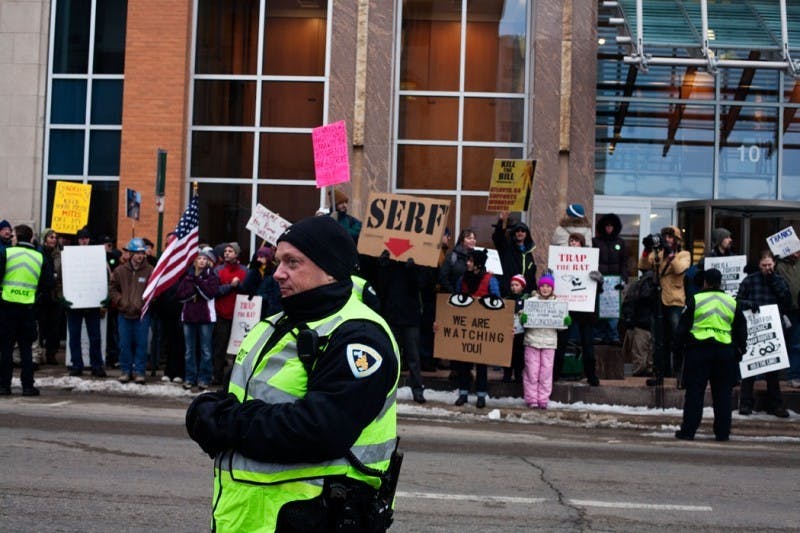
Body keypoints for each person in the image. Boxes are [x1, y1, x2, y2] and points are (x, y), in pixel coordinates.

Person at [185, 215, 400, 532]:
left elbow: (320, 429)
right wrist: (209, 411)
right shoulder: (277, 323)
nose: (277, 274)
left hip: (313, 517)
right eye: (277, 261)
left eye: (292, 263)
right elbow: (245, 398)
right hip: (251, 516)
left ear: (329, 271)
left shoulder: (359, 336)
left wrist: (222, 422)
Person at [674, 269, 746, 441]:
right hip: (724, 351)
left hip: (698, 350)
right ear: (720, 282)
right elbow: (741, 330)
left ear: (704, 282)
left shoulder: (696, 300)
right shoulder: (732, 302)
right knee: (723, 395)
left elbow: (682, 329)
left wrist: (677, 350)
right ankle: (722, 433)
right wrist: (739, 350)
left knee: (695, 393)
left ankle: (688, 431)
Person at [735, 250, 791, 417]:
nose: (767, 268)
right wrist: (749, 304)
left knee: (773, 370)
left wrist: (773, 280)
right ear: (759, 265)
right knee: (751, 366)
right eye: (764, 265)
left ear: (774, 264)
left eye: (770, 265)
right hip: (753, 328)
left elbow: (786, 301)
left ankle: (776, 405)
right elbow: (737, 301)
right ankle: (745, 403)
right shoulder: (750, 280)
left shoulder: (780, 280)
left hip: (772, 328)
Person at [0, 224, 52, 396]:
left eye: (13, 235)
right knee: (26, 349)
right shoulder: (40, 257)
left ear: (17, 237)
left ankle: (4, 385)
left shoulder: (7, 253)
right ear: (30, 238)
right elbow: (47, 284)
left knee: (6, 349)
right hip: (28, 309)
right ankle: (27, 386)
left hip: (7, 307)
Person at [374, 250, 430, 404]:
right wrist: (383, 267)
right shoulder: (391, 262)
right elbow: (382, 288)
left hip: (410, 317)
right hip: (393, 315)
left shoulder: (417, 261)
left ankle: (417, 390)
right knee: (391, 356)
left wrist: (412, 269)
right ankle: (386, 389)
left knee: (413, 357)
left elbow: (421, 284)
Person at [453, 248, 500, 408]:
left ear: (478, 264)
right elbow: (456, 298)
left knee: (481, 364)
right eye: (468, 260)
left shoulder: (490, 280)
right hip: (466, 327)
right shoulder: (463, 279)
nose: (468, 263)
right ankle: (463, 394)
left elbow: (496, 301)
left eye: (471, 261)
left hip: (482, 328)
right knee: (463, 364)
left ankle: (481, 395)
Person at [647, 225, 691, 387]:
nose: (667, 239)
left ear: (677, 240)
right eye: (665, 236)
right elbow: (645, 264)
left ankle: (680, 375)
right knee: (659, 340)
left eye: (671, 237)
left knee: (677, 339)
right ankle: (660, 374)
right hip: (659, 300)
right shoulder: (659, 253)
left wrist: (671, 254)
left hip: (675, 302)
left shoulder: (684, 254)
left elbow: (680, 269)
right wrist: (647, 249)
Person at [109, 238, 154, 384]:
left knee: (141, 344)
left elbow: (154, 291)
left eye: (142, 253)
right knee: (125, 344)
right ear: (131, 254)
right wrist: (120, 300)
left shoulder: (150, 271)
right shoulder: (120, 271)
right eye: (137, 253)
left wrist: (144, 303)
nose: (140, 256)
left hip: (142, 315)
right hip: (124, 313)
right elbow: (112, 288)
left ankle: (139, 371)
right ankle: (125, 371)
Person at [520, 273, 567, 409]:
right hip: (532, 341)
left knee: (546, 373)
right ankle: (531, 398)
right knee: (531, 371)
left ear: (552, 288)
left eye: (548, 286)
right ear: (539, 287)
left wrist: (565, 322)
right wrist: (523, 319)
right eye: (543, 286)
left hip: (549, 343)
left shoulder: (557, 304)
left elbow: (561, 327)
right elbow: (523, 321)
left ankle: (543, 399)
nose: (545, 289)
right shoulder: (531, 302)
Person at [65, 227, 107, 377]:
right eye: (81, 238)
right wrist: (62, 296)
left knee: (95, 336)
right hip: (74, 303)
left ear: (89, 239)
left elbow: (104, 277)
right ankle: (77, 364)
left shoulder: (97, 255)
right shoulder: (69, 256)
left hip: (92, 302)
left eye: (86, 238)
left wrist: (104, 296)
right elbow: (61, 280)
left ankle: (97, 365)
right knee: (74, 336)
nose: (84, 241)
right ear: (78, 240)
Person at [176, 247, 220, 390]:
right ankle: (190, 378)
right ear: (194, 261)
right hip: (188, 317)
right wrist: (194, 285)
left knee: (206, 350)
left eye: (204, 259)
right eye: (199, 258)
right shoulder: (187, 277)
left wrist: (198, 282)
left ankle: (204, 379)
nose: (202, 261)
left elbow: (210, 293)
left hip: (206, 318)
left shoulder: (212, 276)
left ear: (208, 262)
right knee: (189, 351)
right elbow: (181, 295)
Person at [564, 233, 604, 386]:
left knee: (587, 343)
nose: (573, 243)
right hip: (568, 308)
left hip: (586, 309)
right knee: (561, 342)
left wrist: (599, 280)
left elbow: (599, 290)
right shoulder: (562, 258)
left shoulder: (590, 260)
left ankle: (591, 376)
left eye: (576, 241)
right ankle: (555, 374)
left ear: (582, 244)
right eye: (571, 241)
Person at [211, 243, 247, 386]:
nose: (226, 253)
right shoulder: (218, 270)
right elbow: (214, 291)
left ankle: (236, 379)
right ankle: (217, 376)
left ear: (236, 254)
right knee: (219, 348)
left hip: (240, 316)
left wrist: (239, 285)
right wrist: (230, 286)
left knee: (238, 350)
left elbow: (249, 290)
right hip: (222, 314)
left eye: (230, 251)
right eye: (225, 251)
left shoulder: (245, 271)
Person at [592, 213, 628, 344]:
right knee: (599, 308)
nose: (609, 228)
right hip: (599, 281)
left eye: (611, 225)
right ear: (602, 227)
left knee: (613, 310)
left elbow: (624, 263)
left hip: (615, 282)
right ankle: (598, 335)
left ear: (615, 227)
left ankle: (613, 336)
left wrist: (624, 280)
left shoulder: (621, 243)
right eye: (606, 225)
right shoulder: (595, 241)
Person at [620, 267, 657, 376]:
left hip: (639, 324)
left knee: (639, 356)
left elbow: (628, 305)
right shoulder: (654, 286)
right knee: (648, 356)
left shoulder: (637, 286)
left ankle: (639, 374)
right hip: (648, 325)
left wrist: (629, 320)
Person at [492, 211, 537, 295]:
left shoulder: (529, 253)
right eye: (517, 231)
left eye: (523, 231)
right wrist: (501, 220)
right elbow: (497, 238)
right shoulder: (507, 248)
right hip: (508, 293)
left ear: (527, 234)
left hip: (524, 295)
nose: (520, 233)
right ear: (514, 233)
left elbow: (531, 277)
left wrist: (533, 291)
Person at [37, 228, 63, 366]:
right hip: (42, 294)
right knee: (41, 326)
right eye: (50, 237)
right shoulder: (39, 253)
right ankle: (39, 353)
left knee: (54, 326)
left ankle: (51, 353)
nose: (53, 239)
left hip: (56, 295)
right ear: (45, 238)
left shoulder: (60, 254)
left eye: (55, 237)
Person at [775, 249, 800, 389]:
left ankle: (793, 376)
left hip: (797, 310)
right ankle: (761, 376)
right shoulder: (779, 265)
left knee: (796, 344)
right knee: (776, 343)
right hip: (783, 310)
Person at [241, 245, 282, 320]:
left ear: (267, 257)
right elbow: (246, 286)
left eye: (261, 257)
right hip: (255, 306)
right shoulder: (254, 270)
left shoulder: (274, 270)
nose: (258, 259)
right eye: (258, 257)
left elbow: (276, 291)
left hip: (270, 307)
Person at [503, 274, 528, 383]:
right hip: (509, 331)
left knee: (519, 354)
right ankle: (507, 374)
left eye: (517, 285)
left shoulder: (526, 299)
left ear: (522, 286)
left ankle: (518, 374)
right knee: (507, 354)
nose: (514, 287)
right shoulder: (507, 299)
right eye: (512, 285)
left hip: (521, 332)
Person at [439, 227, 477, 293]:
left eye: (474, 238)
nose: (472, 240)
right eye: (469, 238)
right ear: (462, 241)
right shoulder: (452, 256)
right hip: (451, 296)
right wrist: (454, 293)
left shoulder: (476, 257)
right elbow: (443, 278)